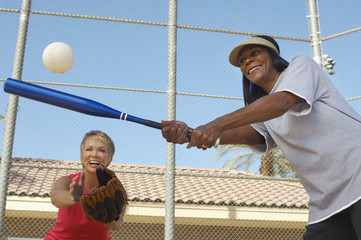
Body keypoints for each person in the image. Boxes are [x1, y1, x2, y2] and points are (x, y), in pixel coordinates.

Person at [161, 35, 361, 239]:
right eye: (242, 61)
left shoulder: (300, 66)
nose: (247, 61)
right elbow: (245, 134)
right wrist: (189, 134)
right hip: (327, 203)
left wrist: (216, 124)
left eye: (255, 53)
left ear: (273, 56)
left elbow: (282, 102)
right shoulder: (263, 113)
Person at [45, 130, 126, 240]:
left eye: (101, 150)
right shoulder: (68, 181)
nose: (94, 154)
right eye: (89, 149)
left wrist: (110, 217)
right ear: (82, 156)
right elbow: (55, 197)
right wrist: (73, 197)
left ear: (109, 159)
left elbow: (115, 224)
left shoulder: (115, 189)